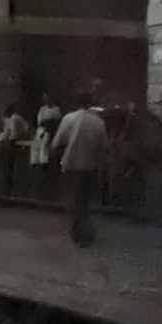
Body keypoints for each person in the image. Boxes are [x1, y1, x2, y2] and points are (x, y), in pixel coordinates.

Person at [52, 90, 109, 248]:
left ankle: (77, 230)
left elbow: (57, 142)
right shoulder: (98, 122)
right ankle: (81, 230)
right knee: (84, 200)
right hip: (90, 166)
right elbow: (104, 148)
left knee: (72, 198)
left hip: (71, 165)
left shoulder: (69, 118)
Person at [30, 94, 63, 168]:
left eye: (47, 99)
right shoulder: (42, 109)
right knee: (36, 144)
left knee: (45, 144)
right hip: (41, 128)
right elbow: (40, 120)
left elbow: (58, 119)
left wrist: (50, 123)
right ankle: (35, 161)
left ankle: (44, 161)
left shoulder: (56, 109)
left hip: (50, 129)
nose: (46, 100)